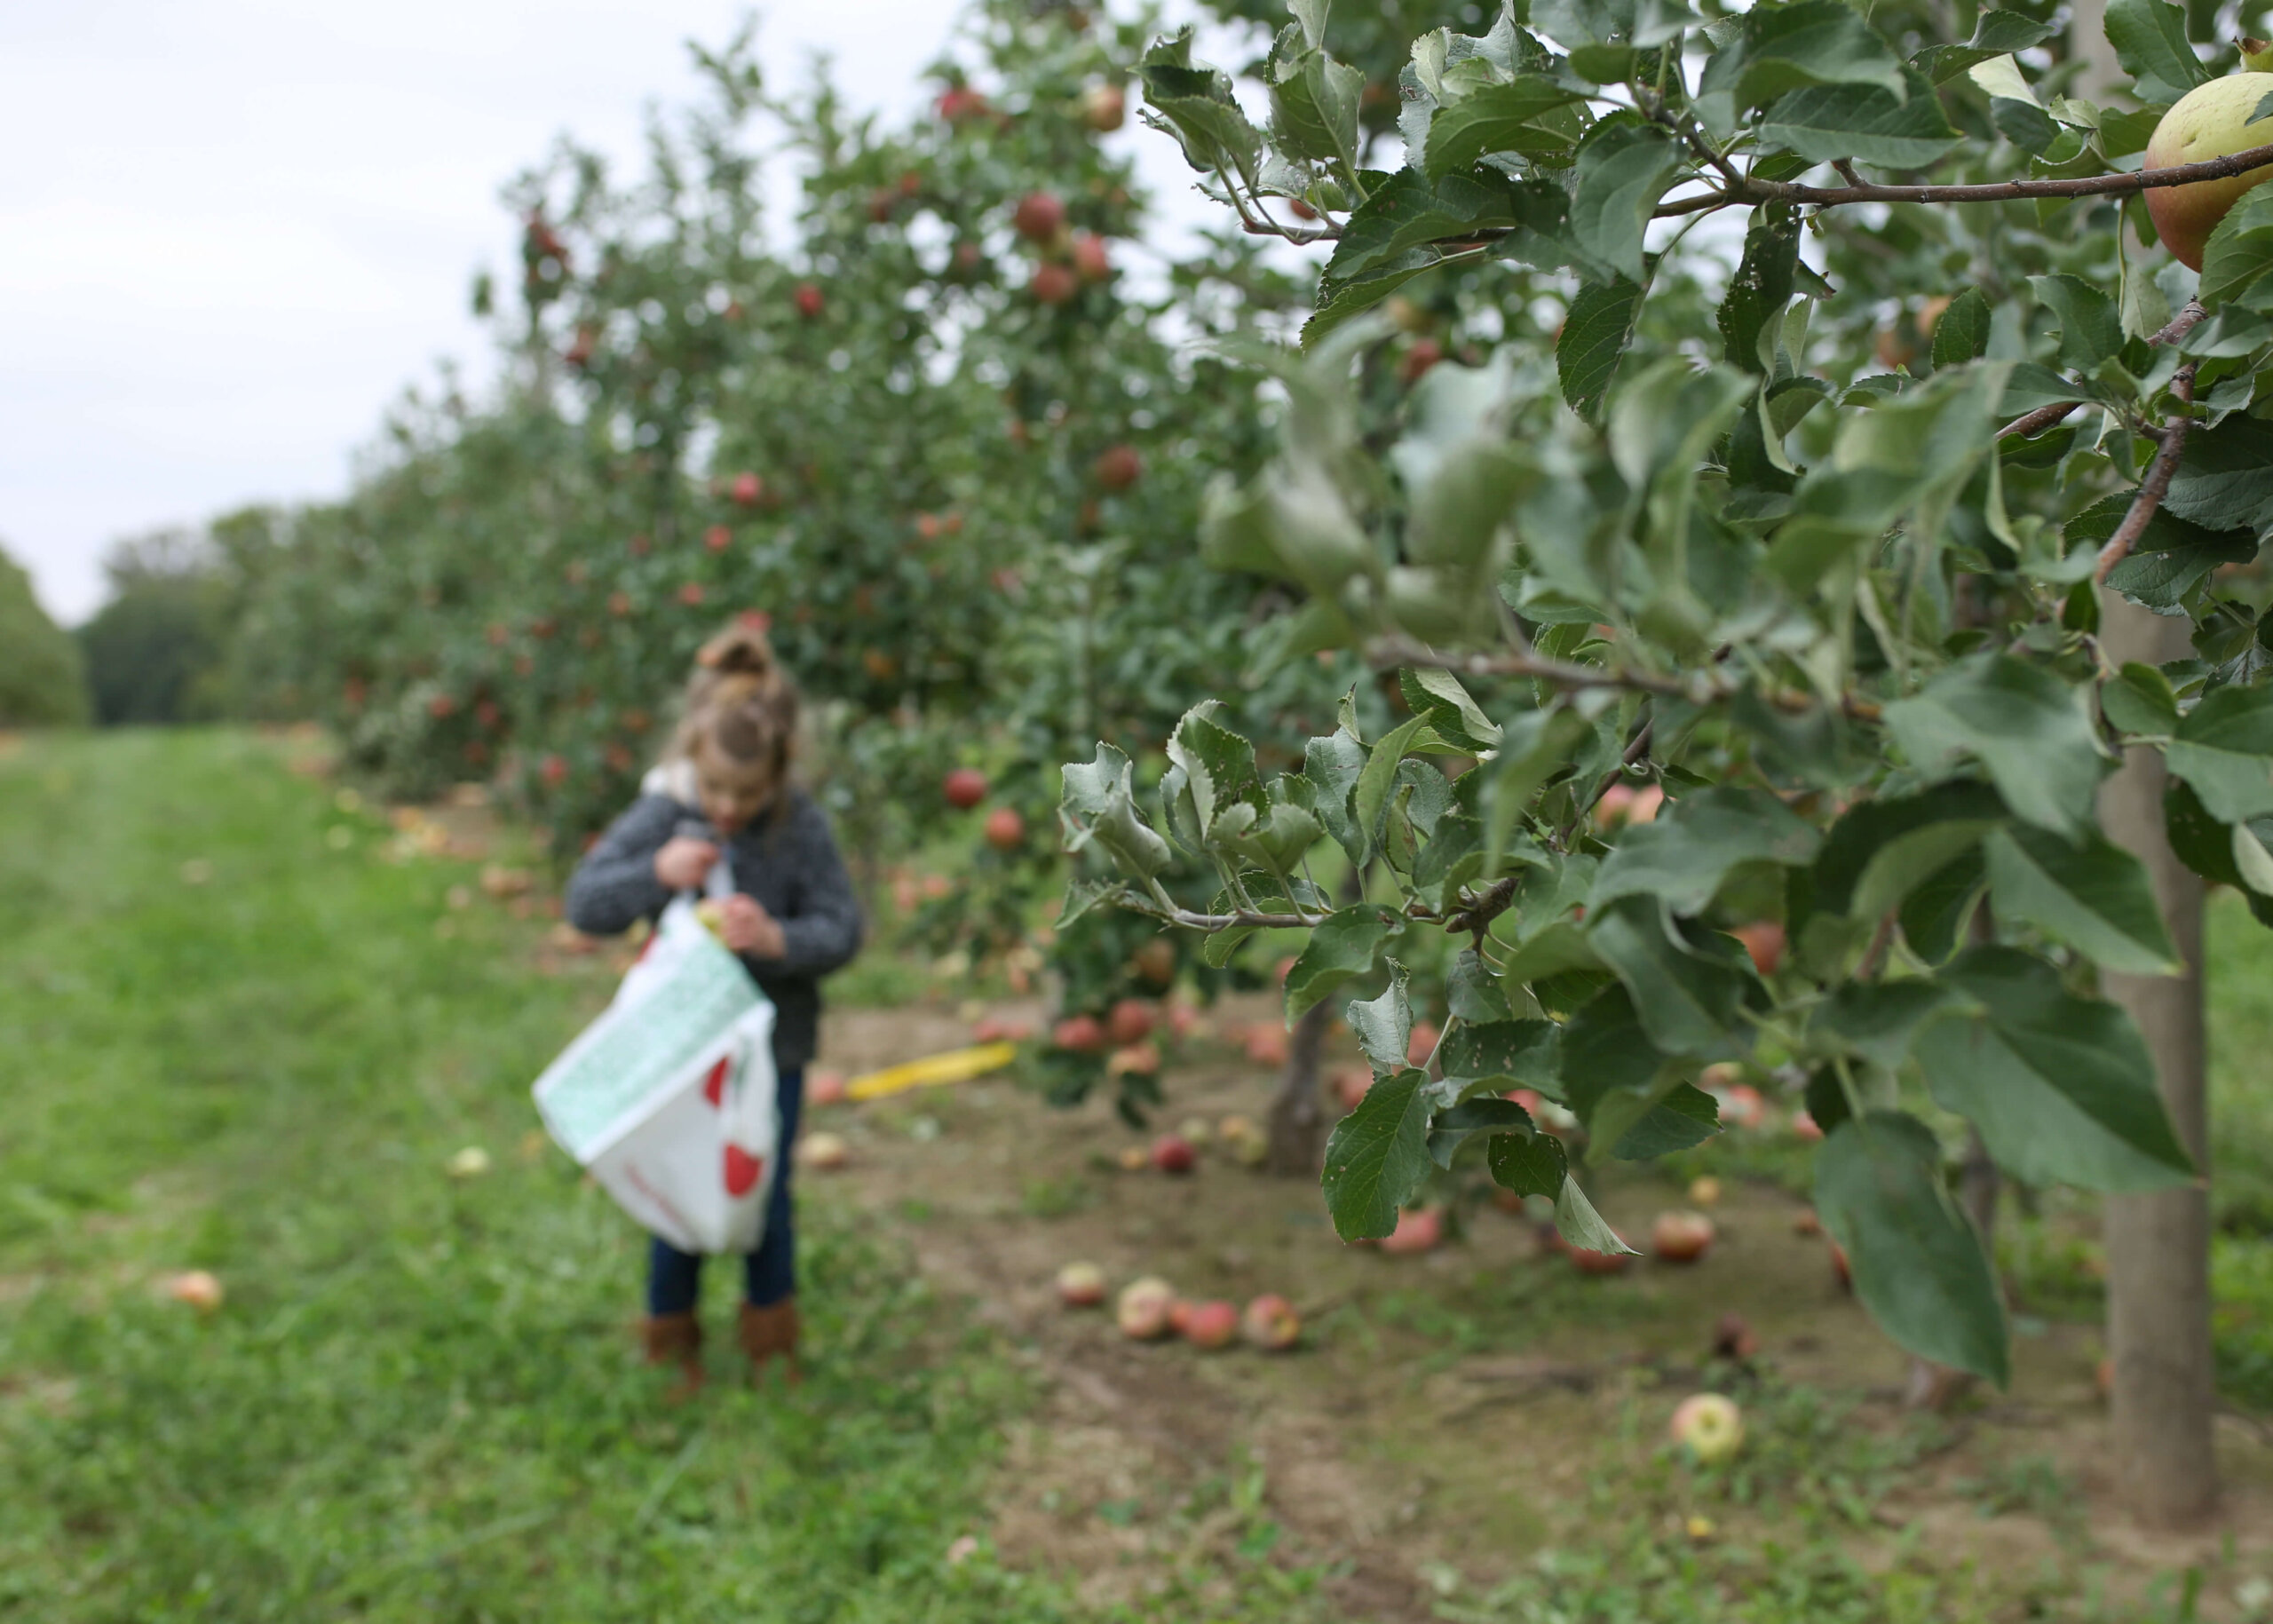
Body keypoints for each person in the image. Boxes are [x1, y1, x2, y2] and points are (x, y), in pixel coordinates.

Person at [565, 620, 861, 1394]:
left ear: (780, 770)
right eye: (715, 786)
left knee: (764, 1188)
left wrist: (778, 938)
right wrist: (656, 872)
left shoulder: (800, 827)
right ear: (691, 756)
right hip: (678, 1050)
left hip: (775, 1050)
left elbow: (843, 927)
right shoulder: (666, 815)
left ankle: (772, 1339)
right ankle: (673, 1340)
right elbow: (585, 903)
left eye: (747, 791)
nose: (727, 806)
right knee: (679, 1189)